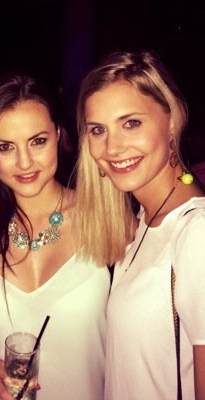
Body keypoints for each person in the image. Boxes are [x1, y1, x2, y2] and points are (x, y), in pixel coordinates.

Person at [0, 74, 110, 399]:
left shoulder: (105, 218)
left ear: (58, 135)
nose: (24, 162)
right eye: (5, 147)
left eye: (37, 141)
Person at [75, 50, 205, 399]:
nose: (113, 147)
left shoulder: (196, 235)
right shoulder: (144, 221)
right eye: (98, 130)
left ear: (172, 122)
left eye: (131, 123)